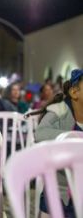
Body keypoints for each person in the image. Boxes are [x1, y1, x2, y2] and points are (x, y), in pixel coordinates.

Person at [32, 69, 83, 217]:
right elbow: (40, 133)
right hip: (60, 191)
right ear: (74, 92)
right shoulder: (60, 110)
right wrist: (75, 137)